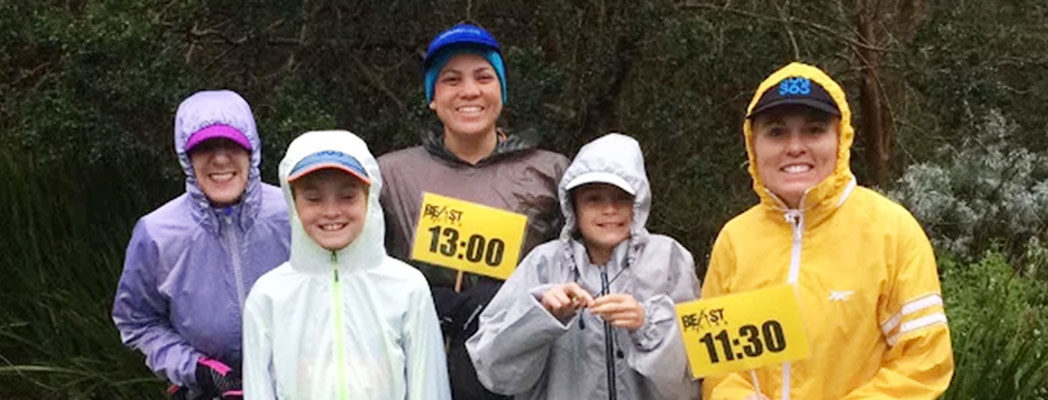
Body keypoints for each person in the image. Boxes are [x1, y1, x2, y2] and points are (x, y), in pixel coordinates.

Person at [701, 62, 954, 400]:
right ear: (753, 145)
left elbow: (924, 361)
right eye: (776, 132)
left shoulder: (893, 231)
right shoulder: (734, 240)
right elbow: (718, 368)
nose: (795, 147)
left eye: (814, 130)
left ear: (841, 139)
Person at [378, 23, 569, 399]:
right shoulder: (391, 174)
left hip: (521, 375)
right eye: (451, 79)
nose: (469, 91)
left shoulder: (551, 171)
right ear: (432, 97)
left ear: (501, 91)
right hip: (419, 369)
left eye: (483, 77)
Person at [467, 133, 701, 400]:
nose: (609, 209)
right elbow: (494, 369)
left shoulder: (668, 257)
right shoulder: (543, 262)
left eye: (622, 197)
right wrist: (541, 315)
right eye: (594, 199)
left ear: (638, 203)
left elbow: (695, 370)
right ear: (573, 206)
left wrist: (646, 323)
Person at [242, 130, 451, 399]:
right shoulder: (269, 296)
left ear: (369, 197)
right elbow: (258, 390)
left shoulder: (407, 287)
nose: (331, 212)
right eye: (313, 198)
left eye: (348, 196)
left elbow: (429, 387)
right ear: (293, 202)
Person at [111, 90, 291, 399]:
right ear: (186, 157)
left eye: (232, 144)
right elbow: (137, 321)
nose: (220, 158)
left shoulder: (293, 214)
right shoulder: (157, 233)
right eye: (205, 147)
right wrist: (195, 368)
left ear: (252, 151)